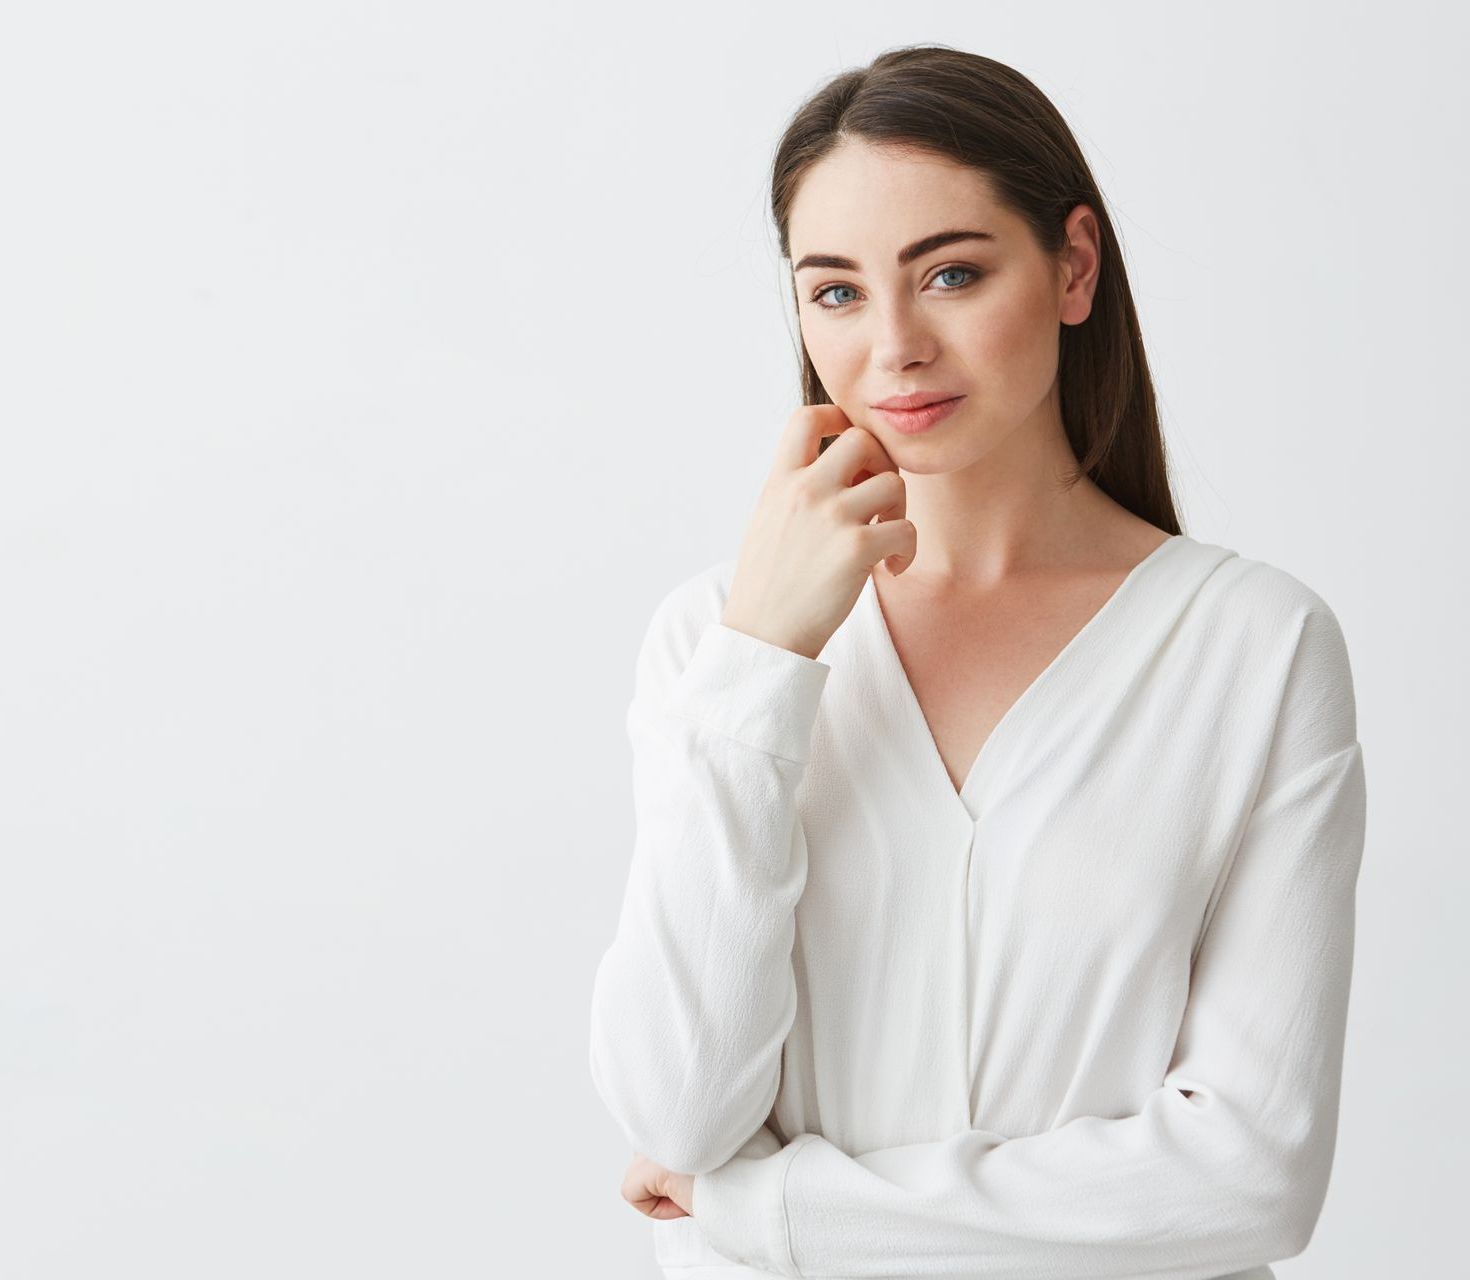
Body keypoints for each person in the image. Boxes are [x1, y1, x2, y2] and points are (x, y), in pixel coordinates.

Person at [588, 44, 1366, 1280]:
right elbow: (675, 1110)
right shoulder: (714, 642)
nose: (894, 344)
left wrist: (771, 1208)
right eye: (835, 290)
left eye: (950, 272)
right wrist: (764, 658)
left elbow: (1250, 1179)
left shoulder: (1255, 649)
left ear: (1073, 265)